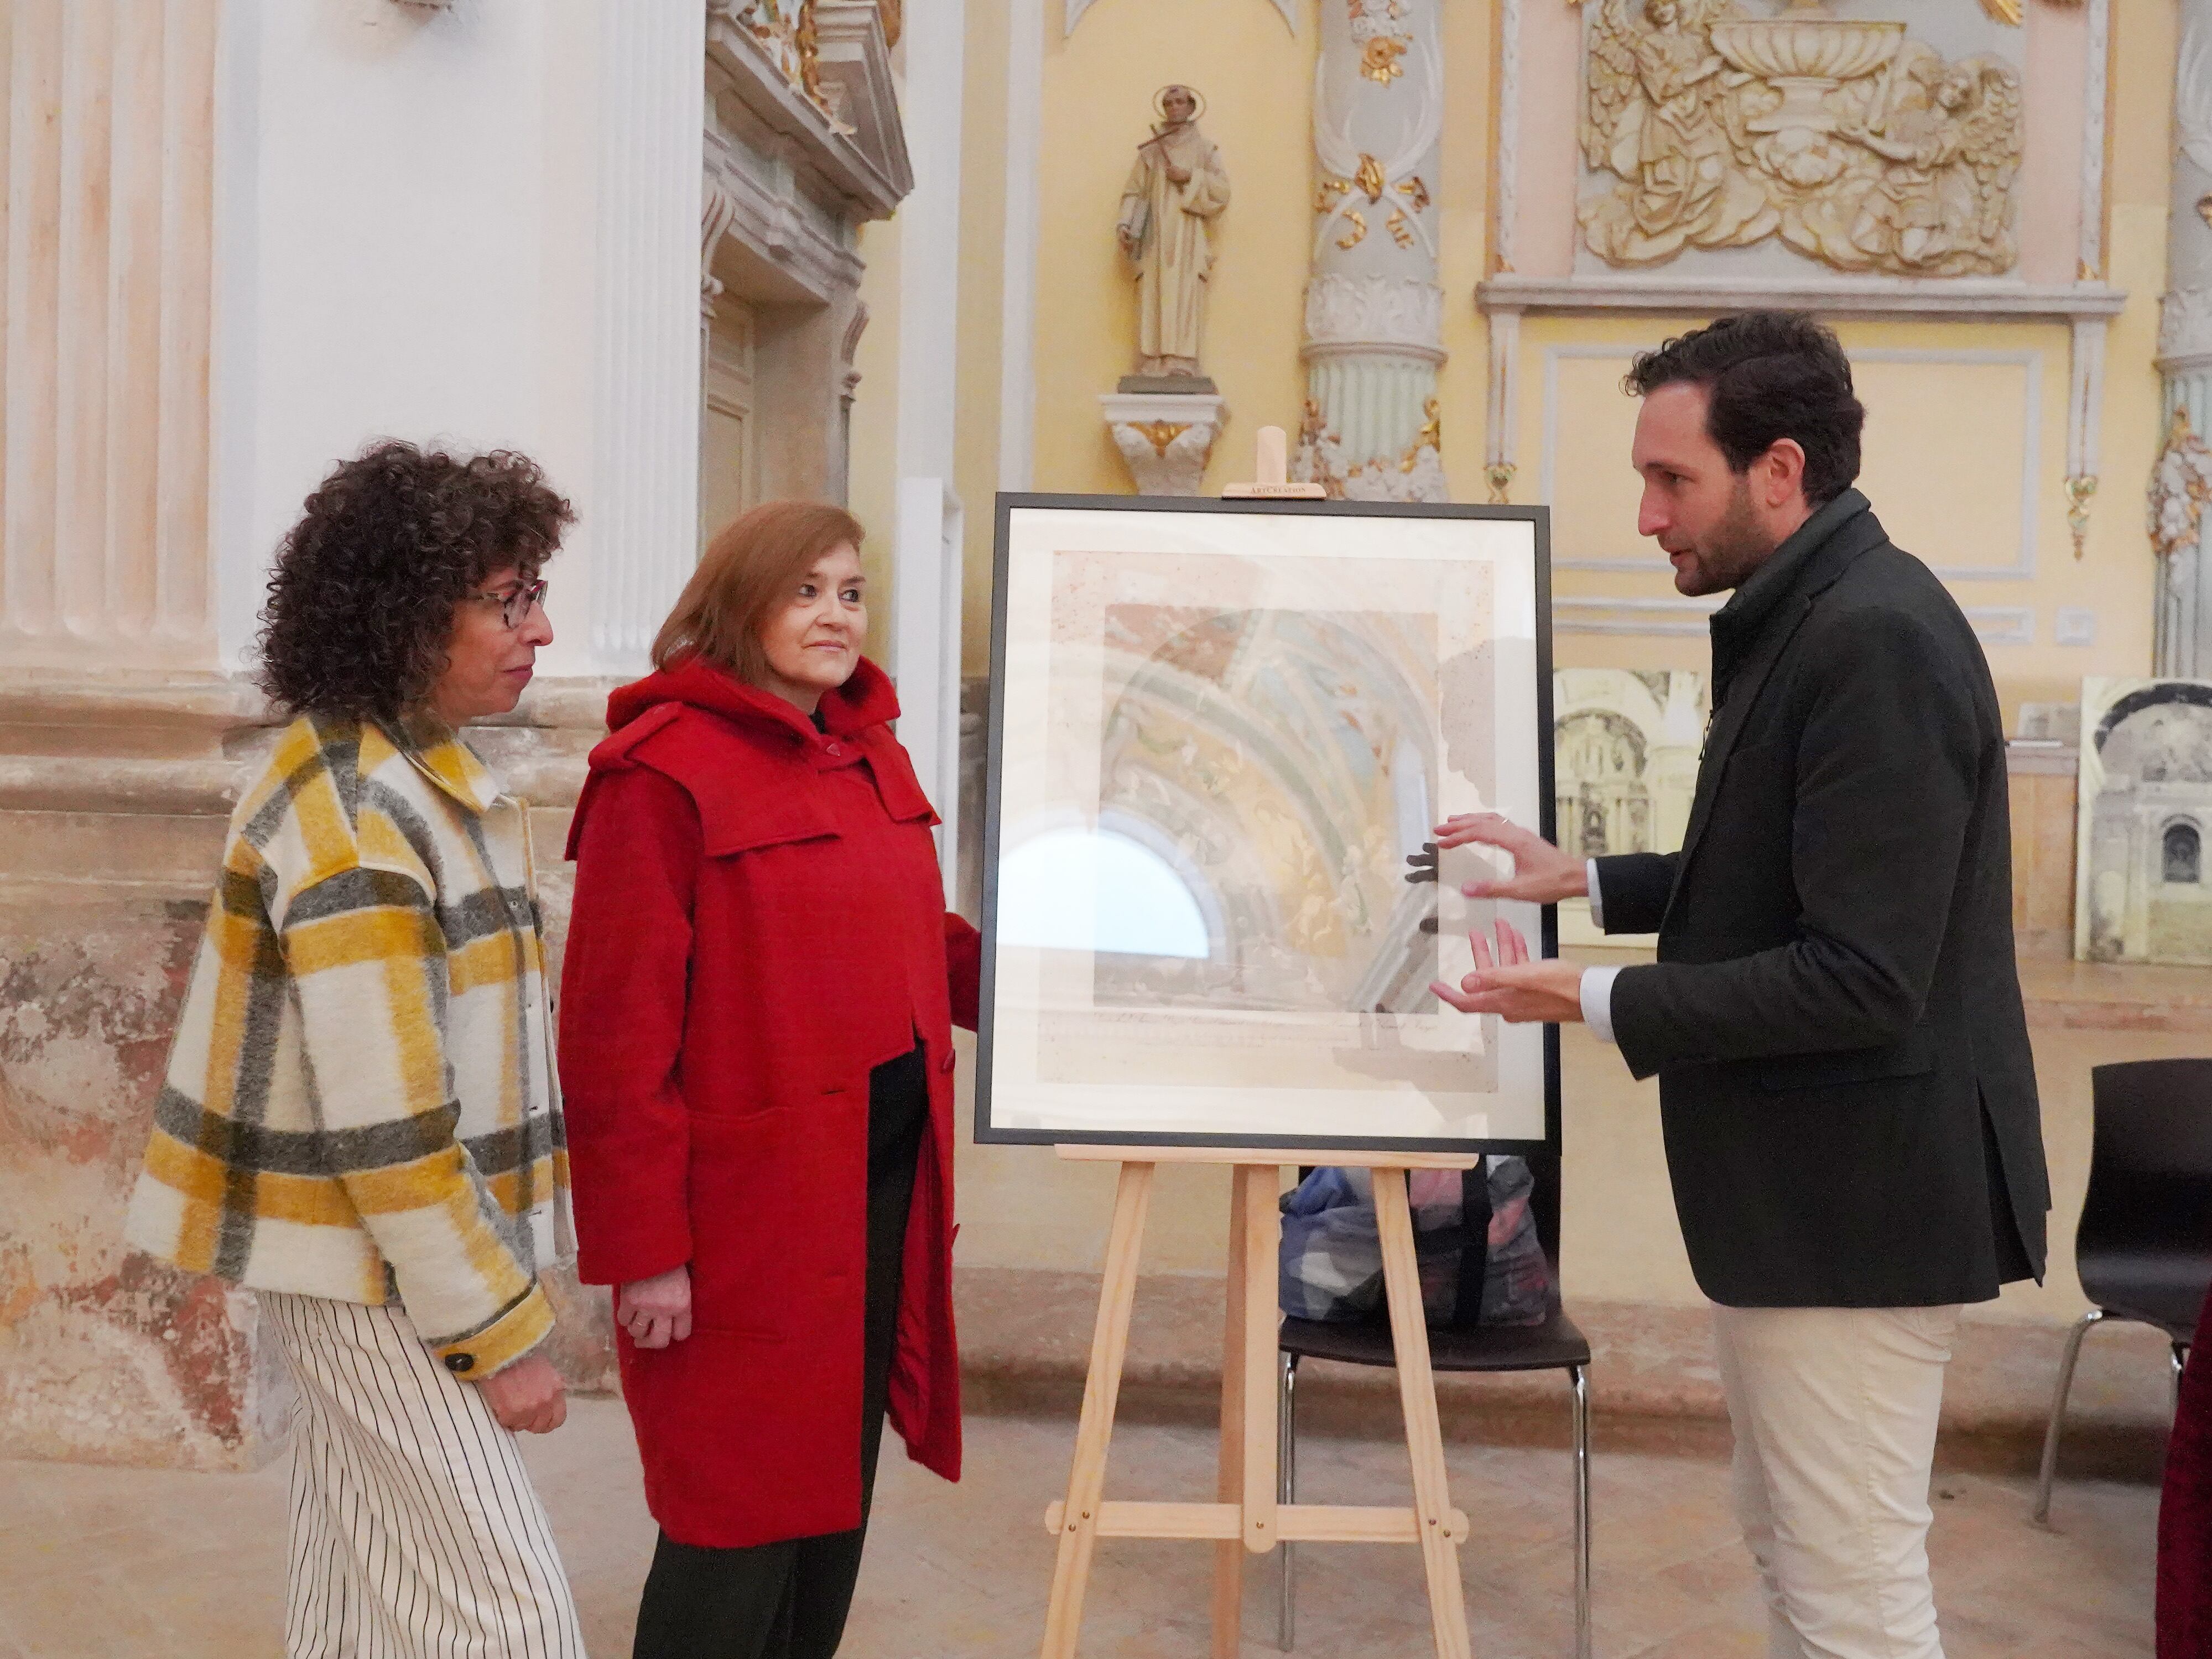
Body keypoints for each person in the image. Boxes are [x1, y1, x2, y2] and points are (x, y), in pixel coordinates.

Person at [1429, 311, 2049, 1659]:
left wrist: (1585, 1000)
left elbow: (1861, 974)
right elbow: (1780, 863)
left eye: (1671, 481)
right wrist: (1582, 881)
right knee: (1798, 1559)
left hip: (1855, 1208)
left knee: (1854, 1601)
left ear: (1778, 469)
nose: (1645, 514)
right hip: (1815, 1199)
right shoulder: (1816, 610)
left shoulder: (1871, 635)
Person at [123, 441, 586, 1658]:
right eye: (508, 599)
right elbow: (389, 1135)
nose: (538, 627)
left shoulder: (412, 771)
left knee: (361, 1598)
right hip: (377, 1275)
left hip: (366, 1265)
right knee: (512, 1615)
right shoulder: (355, 819)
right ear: (401, 615)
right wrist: (498, 1329)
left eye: (531, 591)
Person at [556, 500, 981, 1659]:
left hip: (877, 1192)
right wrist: (648, 1247)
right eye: (803, 591)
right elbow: (611, 1036)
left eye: (849, 591)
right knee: (733, 1516)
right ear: (734, 604)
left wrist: (1050, 1001)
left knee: (828, 1503)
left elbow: (911, 937)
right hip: (745, 1212)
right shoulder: (658, 775)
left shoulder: (869, 752)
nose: (835, 615)